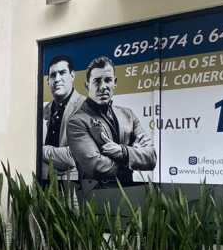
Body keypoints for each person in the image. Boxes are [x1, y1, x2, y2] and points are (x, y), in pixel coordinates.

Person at [66, 56, 156, 190]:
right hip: (97, 194)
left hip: (130, 192)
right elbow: (96, 167)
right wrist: (132, 155)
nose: (103, 87)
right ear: (87, 85)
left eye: (108, 80)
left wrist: (123, 152)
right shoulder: (77, 121)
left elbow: (151, 158)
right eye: (97, 81)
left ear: (115, 83)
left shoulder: (128, 115)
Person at [40, 54, 85, 180]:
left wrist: (39, 150)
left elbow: (73, 156)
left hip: (74, 184)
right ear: (48, 81)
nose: (57, 79)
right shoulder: (43, 111)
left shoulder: (85, 107)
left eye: (62, 73)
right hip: (43, 182)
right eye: (53, 75)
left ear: (72, 75)